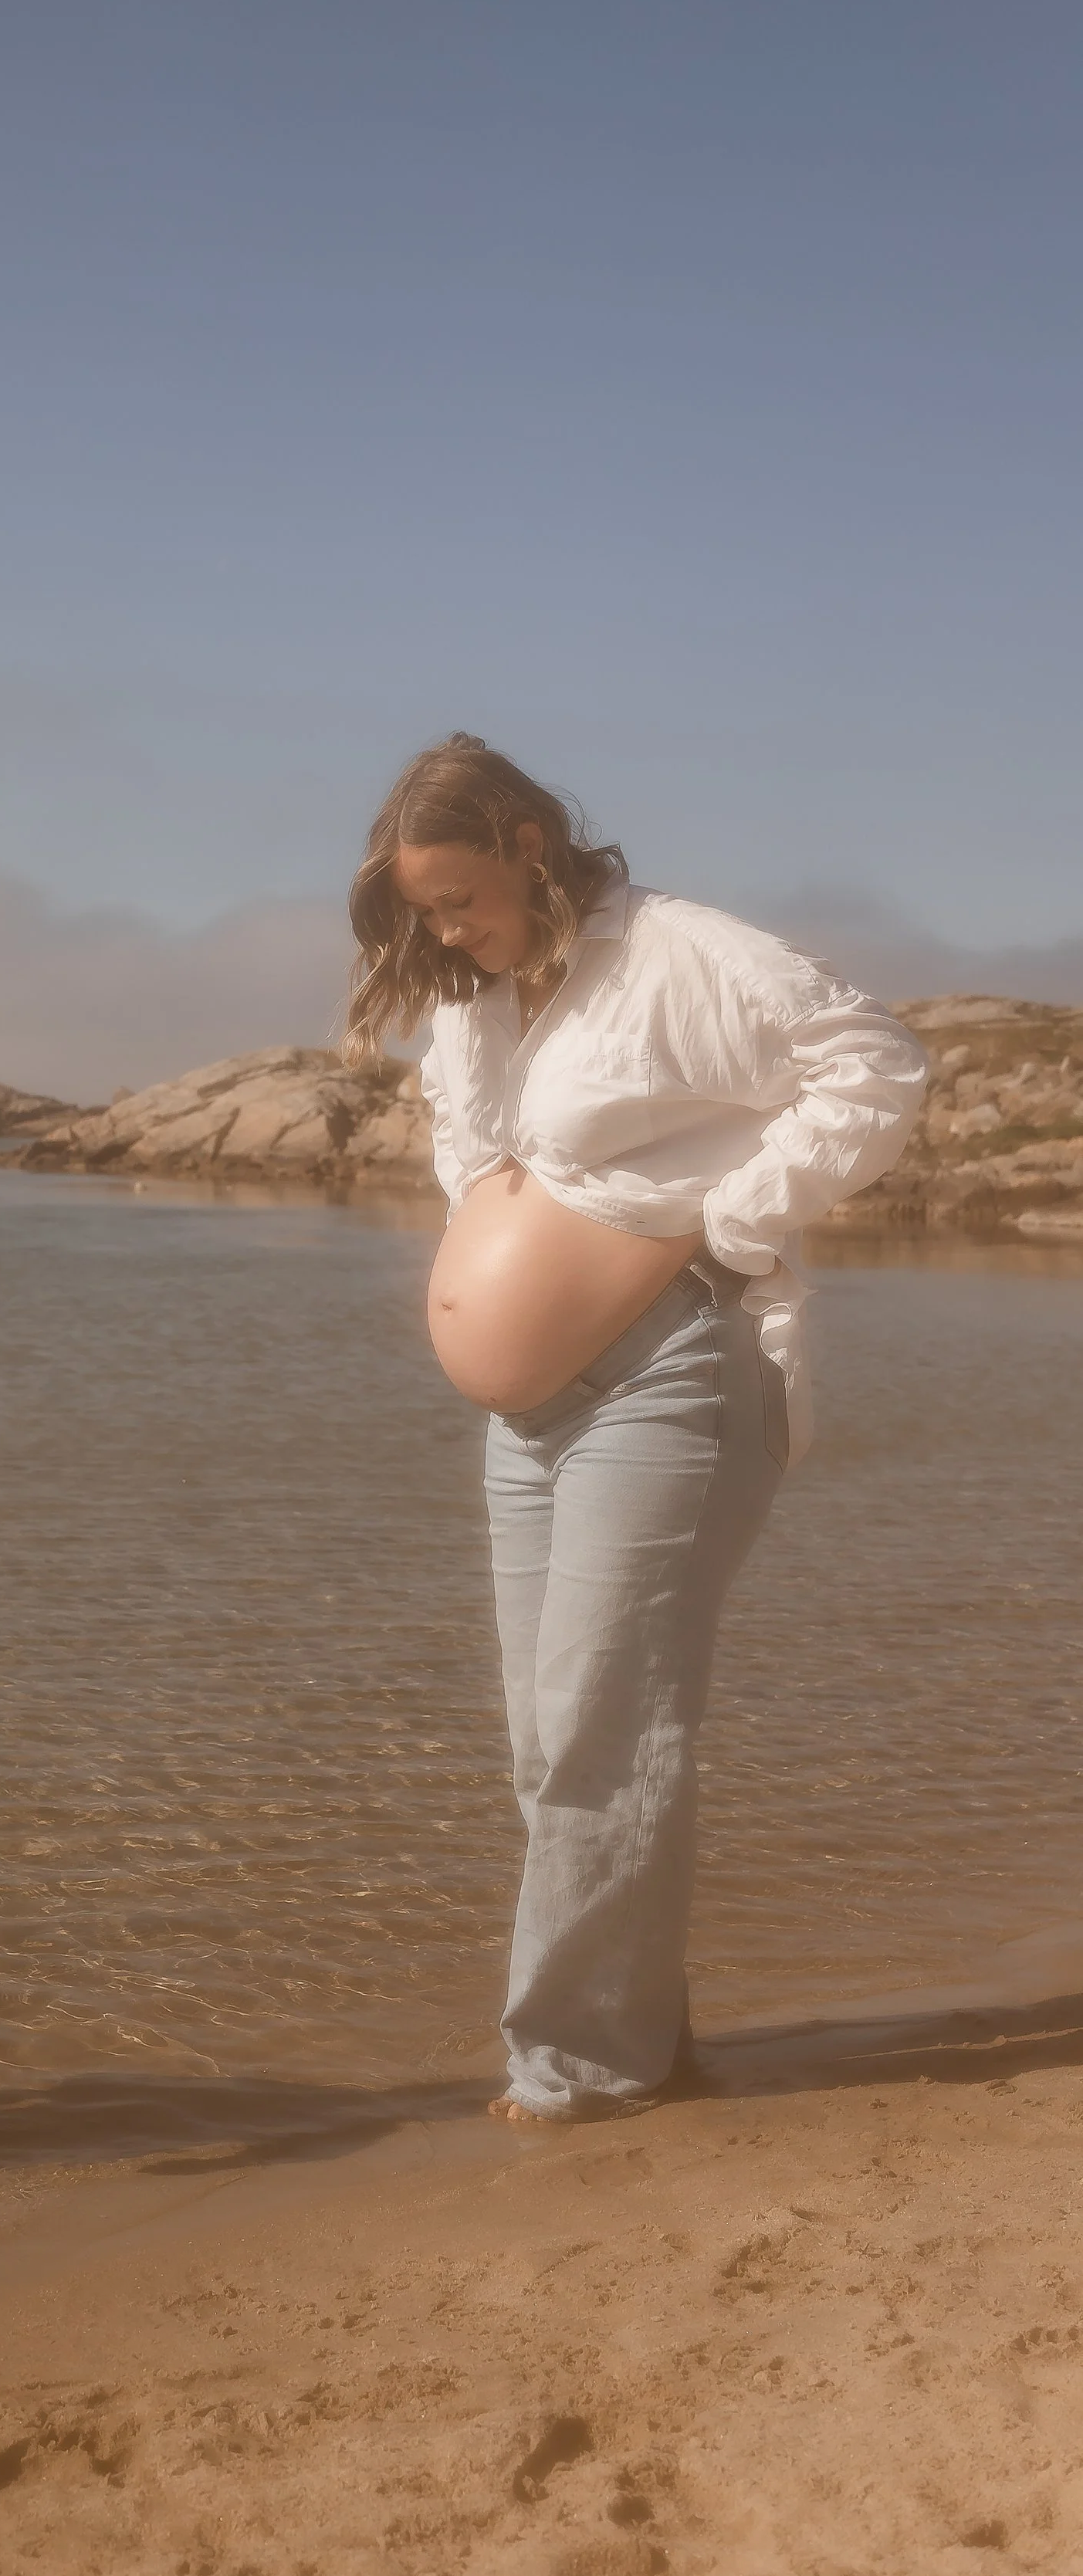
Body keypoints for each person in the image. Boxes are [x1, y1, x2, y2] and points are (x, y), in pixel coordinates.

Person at [347, 736, 926, 2124]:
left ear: (529, 848)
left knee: (609, 1722)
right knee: (549, 1740)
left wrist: (724, 1226)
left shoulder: (683, 954)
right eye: (423, 911)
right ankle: (640, 2035)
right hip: (535, 1411)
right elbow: (463, 1125)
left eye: (458, 896)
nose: (445, 929)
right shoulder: (482, 997)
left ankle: (577, 2069)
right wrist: (487, 1213)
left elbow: (876, 1061)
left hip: (668, 1377)